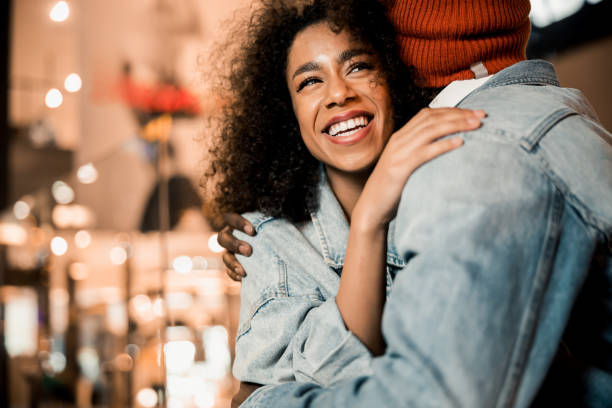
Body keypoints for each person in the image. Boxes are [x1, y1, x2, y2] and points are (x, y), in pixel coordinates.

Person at [218, 0, 612, 407]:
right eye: (309, 82)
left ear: (393, 77)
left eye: (359, 67)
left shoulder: (461, 178)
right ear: (286, 113)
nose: (338, 93)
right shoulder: (262, 238)